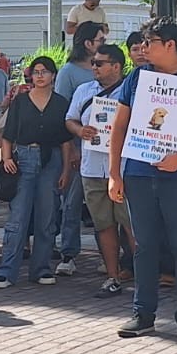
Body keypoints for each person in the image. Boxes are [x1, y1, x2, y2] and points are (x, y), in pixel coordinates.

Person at [108, 20, 177, 342]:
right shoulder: (138, 77)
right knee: (144, 246)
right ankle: (142, 314)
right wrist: (115, 173)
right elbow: (119, 126)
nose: (143, 48)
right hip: (139, 173)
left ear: (170, 45)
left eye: (150, 41)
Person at [0, 56, 75, 287]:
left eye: (45, 72)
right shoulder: (20, 101)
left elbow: (66, 142)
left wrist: (66, 170)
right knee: (18, 217)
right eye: (36, 72)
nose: (40, 76)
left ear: (53, 76)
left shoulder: (61, 103)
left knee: (47, 217)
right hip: (24, 159)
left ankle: (41, 268)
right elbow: (8, 134)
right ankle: (7, 270)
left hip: (51, 160)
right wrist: (7, 157)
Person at [68, 44, 132, 296]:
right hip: (92, 167)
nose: (94, 67)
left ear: (116, 66)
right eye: (93, 62)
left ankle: (144, 276)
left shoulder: (129, 91)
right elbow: (70, 119)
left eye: (99, 63)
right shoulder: (84, 90)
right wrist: (78, 131)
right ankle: (112, 276)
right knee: (103, 225)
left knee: (132, 225)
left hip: (125, 168)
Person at [54, 22, 103, 274]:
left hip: (102, 151)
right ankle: (68, 254)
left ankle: (107, 255)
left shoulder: (107, 72)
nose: (102, 43)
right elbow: (63, 114)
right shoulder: (68, 72)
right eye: (99, 40)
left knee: (101, 207)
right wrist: (70, 150)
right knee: (71, 204)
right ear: (87, 43)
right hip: (75, 147)